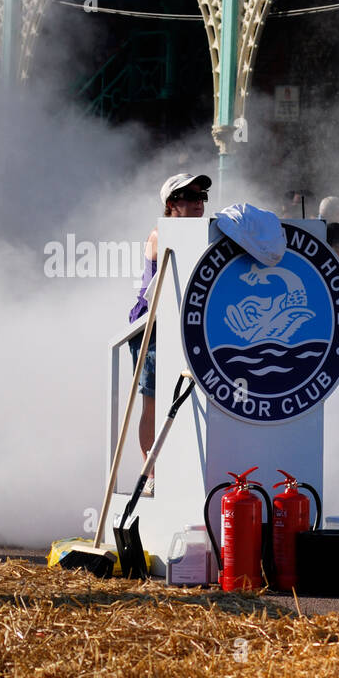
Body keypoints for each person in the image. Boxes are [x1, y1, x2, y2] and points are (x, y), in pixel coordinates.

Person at [127, 172, 209, 493]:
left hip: (183, 327)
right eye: (189, 197)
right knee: (154, 402)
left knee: (181, 400)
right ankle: (150, 472)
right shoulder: (160, 234)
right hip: (152, 328)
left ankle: (180, 469)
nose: (198, 203)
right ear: (171, 203)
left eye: (202, 197)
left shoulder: (198, 232)